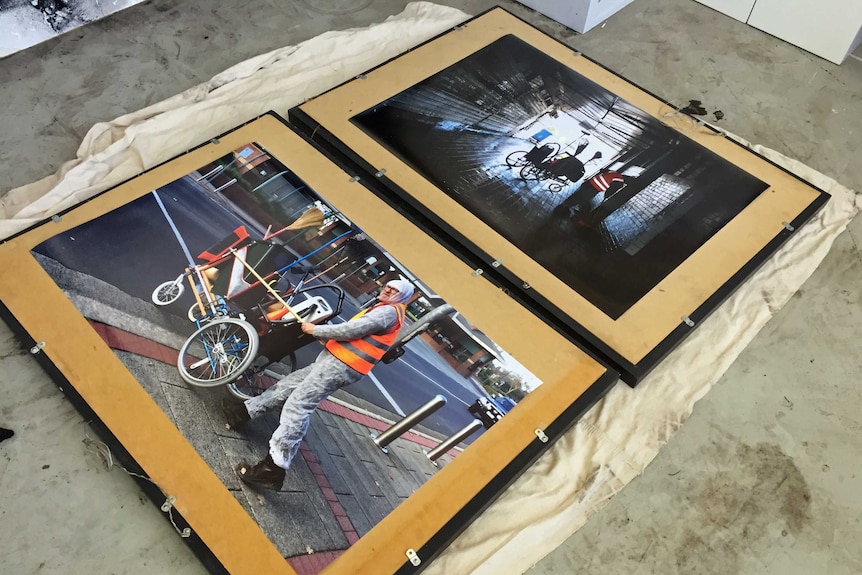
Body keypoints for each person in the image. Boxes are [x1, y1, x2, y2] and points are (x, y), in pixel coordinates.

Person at [224, 279, 414, 490]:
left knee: (298, 405)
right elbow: (359, 336)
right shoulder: (386, 308)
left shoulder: (389, 312)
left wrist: (317, 330)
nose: (388, 289)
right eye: (388, 286)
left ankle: (274, 466)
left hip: (340, 366)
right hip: (336, 361)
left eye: (395, 290)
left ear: (402, 296)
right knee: (289, 384)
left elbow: (353, 330)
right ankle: (243, 412)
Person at [552, 170, 627, 219]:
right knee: (583, 199)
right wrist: (606, 196)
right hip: (594, 188)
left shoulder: (615, 173)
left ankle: (566, 207)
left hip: (589, 183)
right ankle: (565, 211)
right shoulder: (620, 181)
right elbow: (612, 190)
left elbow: (603, 171)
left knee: (578, 196)